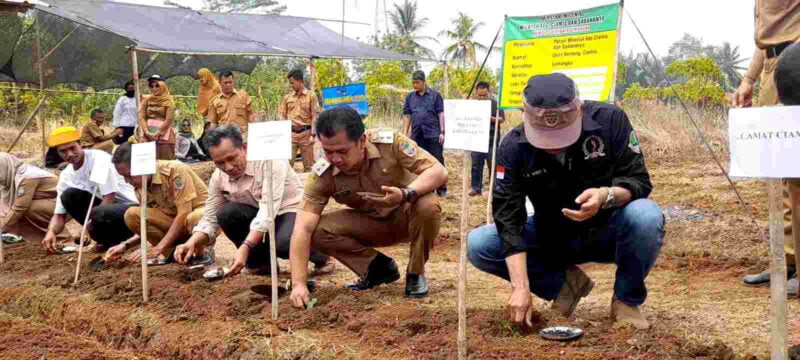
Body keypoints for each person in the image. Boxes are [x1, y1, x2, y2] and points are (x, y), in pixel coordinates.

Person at [467, 74, 664, 330]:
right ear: (524, 115)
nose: (553, 147)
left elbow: (639, 180)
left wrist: (607, 195)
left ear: (580, 109)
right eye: (544, 137)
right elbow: (508, 217)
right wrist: (520, 287)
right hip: (552, 236)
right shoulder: (513, 147)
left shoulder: (610, 120)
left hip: (609, 232)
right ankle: (563, 285)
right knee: (479, 243)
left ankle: (626, 300)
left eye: (562, 136)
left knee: (645, 215)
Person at [288, 107, 448, 308]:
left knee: (428, 204)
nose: (335, 159)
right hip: (369, 224)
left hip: (407, 217)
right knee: (317, 230)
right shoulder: (322, 174)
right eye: (328, 152)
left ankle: (415, 273)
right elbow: (302, 228)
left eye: (342, 151)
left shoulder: (391, 144)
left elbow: (439, 171)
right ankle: (377, 269)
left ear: (362, 141)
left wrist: (405, 194)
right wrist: (299, 284)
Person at [173, 126, 335, 276]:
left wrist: (245, 247)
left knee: (284, 242)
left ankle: (322, 256)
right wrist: (191, 242)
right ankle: (261, 263)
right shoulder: (218, 177)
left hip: (288, 212)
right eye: (219, 162)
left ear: (244, 148)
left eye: (231, 158)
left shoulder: (270, 162)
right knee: (226, 213)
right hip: (257, 217)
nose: (228, 167)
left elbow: (267, 211)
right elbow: (210, 217)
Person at [734, 0, 800, 294]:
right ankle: (784, 261)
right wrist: (749, 78)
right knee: (776, 172)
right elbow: (767, 38)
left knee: (797, 177)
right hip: (773, 66)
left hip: (795, 64)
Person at [104, 142, 208, 264]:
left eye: (129, 175)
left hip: (201, 224)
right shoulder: (139, 186)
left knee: (194, 217)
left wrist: (158, 248)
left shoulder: (175, 170)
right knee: (132, 215)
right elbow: (146, 223)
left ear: (142, 165)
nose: (127, 181)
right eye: (124, 177)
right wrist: (125, 245)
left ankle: (201, 253)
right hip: (175, 224)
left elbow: (184, 213)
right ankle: (173, 253)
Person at [41, 126, 139, 254]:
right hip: (102, 213)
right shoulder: (66, 175)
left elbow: (109, 196)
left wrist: (87, 227)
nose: (69, 154)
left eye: (72, 148)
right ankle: (108, 241)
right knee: (69, 196)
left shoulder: (98, 159)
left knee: (99, 212)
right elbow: (59, 214)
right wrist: (51, 232)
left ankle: (128, 238)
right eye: (63, 151)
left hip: (129, 208)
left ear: (80, 144)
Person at [0, 153, 69, 242]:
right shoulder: (11, 176)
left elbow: (20, 207)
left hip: (64, 205)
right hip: (49, 202)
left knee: (28, 208)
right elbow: (4, 204)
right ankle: (28, 238)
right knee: (14, 210)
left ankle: (59, 237)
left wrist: (3, 227)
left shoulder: (27, 177)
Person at [402, 70, 447, 196]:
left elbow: (441, 113)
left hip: (433, 133)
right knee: (420, 161)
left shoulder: (435, 95)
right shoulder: (410, 97)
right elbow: (407, 114)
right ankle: (427, 187)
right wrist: (405, 133)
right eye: (413, 83)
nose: (415, 85)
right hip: (417, 134)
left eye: (417, 83)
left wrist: (442, 131)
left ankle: (442, 188)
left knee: (437, 159)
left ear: (424, 82)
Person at [279, 69, 321, 172]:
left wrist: (312, 135)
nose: (291, 85)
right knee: (286, 167)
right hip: (291, 135)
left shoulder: (311, 96)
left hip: (306, 135)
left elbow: (314, 116)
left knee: (309, 167)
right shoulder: (287, 98)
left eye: (292, 83)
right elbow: (282, 115)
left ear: (300, 81)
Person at [470, 81, 505, 196]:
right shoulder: (472, 105)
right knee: (476, 164)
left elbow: (502, 119)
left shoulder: (496, 104)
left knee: (493, 164)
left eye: (484, 96)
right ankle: (476, 188)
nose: (482, 98)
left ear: (488, 93)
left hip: (491, 139)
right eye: (479, 96)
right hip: (476, 139)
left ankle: (493, 188)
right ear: (476, 93)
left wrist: (491, 119)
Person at [138, 75, 177, 160]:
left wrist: (158, 133)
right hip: (147, 135)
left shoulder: (169, 100)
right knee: (147, 161)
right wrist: (146, 132)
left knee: (165, 163)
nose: (154, 88)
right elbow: (142, 117)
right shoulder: (146, 100)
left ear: (162, 86)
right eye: (151, 86)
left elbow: (169, 119)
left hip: (164, 135)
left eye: (157, 86)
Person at [207, 71, 255, 139]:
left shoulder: (243, 96)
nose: (228, 85)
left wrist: (253, 133)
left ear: (233, 82)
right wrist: (212, 139)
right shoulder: (215, 101)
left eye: (230, 82)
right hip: (224, 139)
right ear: (220, 83)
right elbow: (213, 123)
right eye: (225, 83)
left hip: (242, 137)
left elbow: (251, 115)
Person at [112, 80, 138, 145]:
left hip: (135, 126)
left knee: (134, 143)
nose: (131, 90)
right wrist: (117, 127)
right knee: (125, 144)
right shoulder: (122, 99)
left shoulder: (137, 99)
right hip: (124, 126)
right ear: (126, 89)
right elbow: (117, 113)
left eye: (133, 88)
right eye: (130, 88)